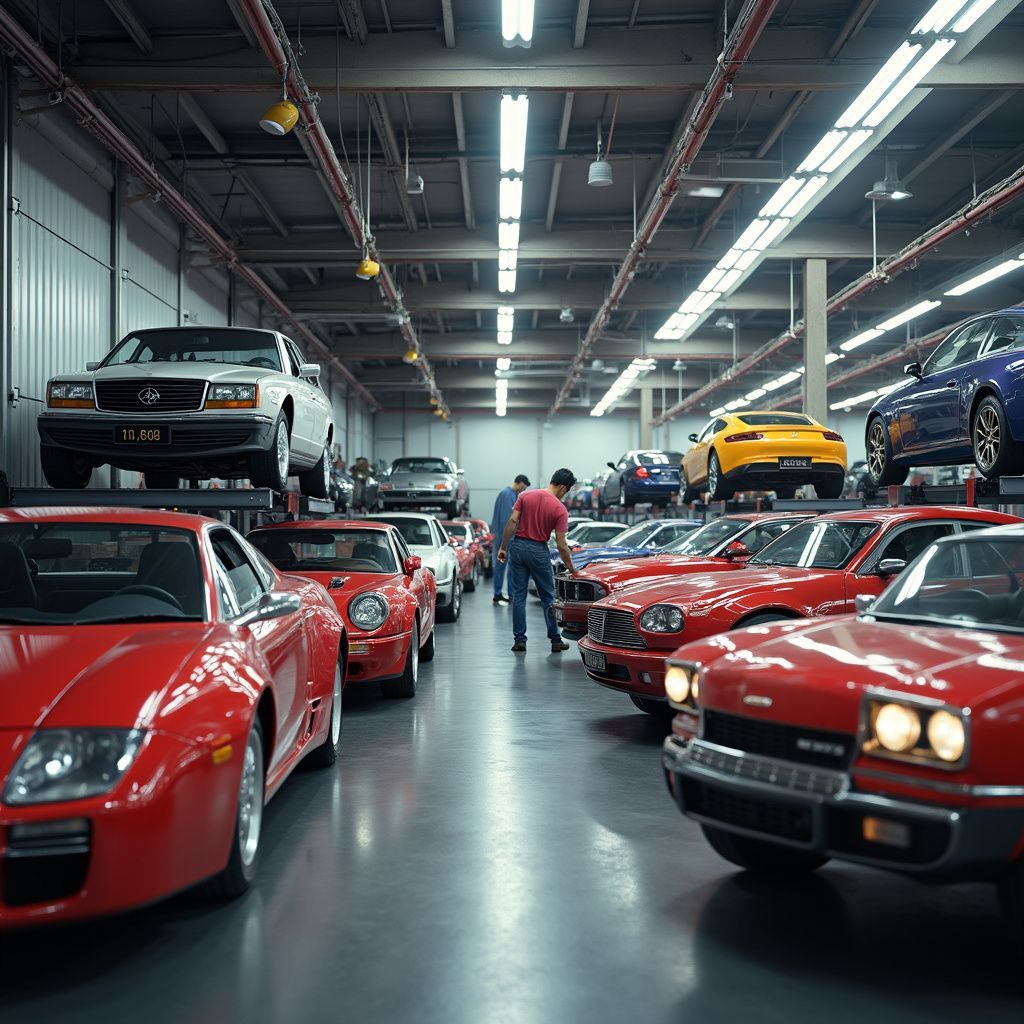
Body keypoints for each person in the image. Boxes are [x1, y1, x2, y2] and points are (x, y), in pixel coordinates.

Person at [496, 468, 577, 654]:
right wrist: (573, 570)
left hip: (518, 547)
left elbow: (512, 521)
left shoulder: (525, 495)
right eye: (567, 491)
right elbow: (562, 545)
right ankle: (556, 640)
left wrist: (503, 547)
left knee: (518, 596)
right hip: (539, 550)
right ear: (563, 487)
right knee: (548, 597)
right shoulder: (560, 509)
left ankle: (519, 640)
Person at [490, 474, 530, 604]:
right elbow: (509, 519)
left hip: (501, 536)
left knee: (501, 565)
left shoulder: (508, 494)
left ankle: (498, 593)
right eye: (523, 487)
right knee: (510, 566)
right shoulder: (508, 495)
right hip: (506, 537)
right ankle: (509, 594)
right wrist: (508, 540)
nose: (523, 490)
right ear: (519, 483)